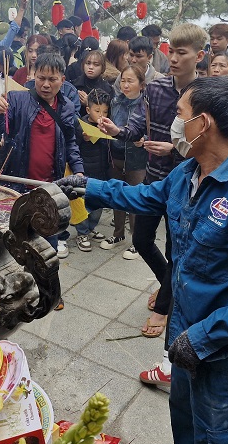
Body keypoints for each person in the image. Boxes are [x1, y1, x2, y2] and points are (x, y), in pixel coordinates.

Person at [57, 75, 228, 444]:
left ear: (203, 123)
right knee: (185, 428)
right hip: (186, 336)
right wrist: (92, 187)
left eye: (180, 113)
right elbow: (146, 196)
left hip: (226, 352)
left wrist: (202, 339)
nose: (174, 122)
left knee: (221, 438)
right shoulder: (188, 172)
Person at [98, 23, 204, 361]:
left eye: (181, 53)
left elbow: (207, 146)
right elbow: (140, 131)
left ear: (199, 56)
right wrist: (119, 131)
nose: (172, 58)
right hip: (156, 178)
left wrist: (173, 150)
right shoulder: (156, 89)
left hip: (188, 184)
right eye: (170, 51)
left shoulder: (207, 94)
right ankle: (168, 285)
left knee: (177, 250)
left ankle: (164, 306)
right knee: (142, 239)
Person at [0, 52, 84, 260]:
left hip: (50, 187)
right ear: (33, 77)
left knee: (48, 248)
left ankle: (47, 290)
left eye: (52, 79)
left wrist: (79, 170)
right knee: (15, 245)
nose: (46, 84)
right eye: (41, 78)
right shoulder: (16, 99)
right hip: (18, 185)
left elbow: (71, 143)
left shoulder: (66, 107)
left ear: (62, 80)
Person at [105, 65, 147, 255]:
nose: (125, 84)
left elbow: (150, 130)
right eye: (123, 80)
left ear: (142, 84)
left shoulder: (146, 104)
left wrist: (144, 140)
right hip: (116, 156)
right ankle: (118, 233)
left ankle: (137, 241)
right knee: (116, 196)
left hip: (137, 159)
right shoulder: (115, 101)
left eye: (130, 81)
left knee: (135, 200)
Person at [74, 89, 112, 251]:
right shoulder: (80, 125)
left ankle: (91, 228)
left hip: (101, 171)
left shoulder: (108, 125)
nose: (101, 115)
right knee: (83, 203)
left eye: (105, 111)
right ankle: (82, 232)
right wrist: (82, 138)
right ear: (88, 110)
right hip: (85, 170)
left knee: (97, 203)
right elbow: (73, 146)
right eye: (97, 111)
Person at [72, 50, 113, 116]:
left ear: (102, 68)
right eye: (88, 63)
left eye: (96, 64)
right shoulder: (74, 85)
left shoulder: (108, 89)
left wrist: (89, 103)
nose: (91, 67)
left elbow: (108, 114)